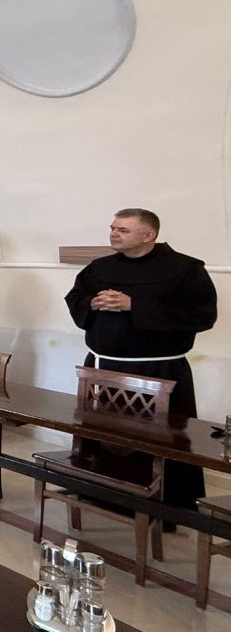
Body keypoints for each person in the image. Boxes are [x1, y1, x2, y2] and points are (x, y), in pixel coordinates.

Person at [65, 208, 218, 511]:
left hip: (158, 370)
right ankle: (102, 494)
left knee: (162, 441)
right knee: (106, 436)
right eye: (113, 228)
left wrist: (134, 305)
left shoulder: (186, 269)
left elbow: (202, 315)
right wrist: (92, 302)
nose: (113, 234)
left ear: (149, 235)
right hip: (105, 368)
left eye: (122, 230)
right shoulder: (99, 267)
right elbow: (75, 298)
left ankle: (166, 507)